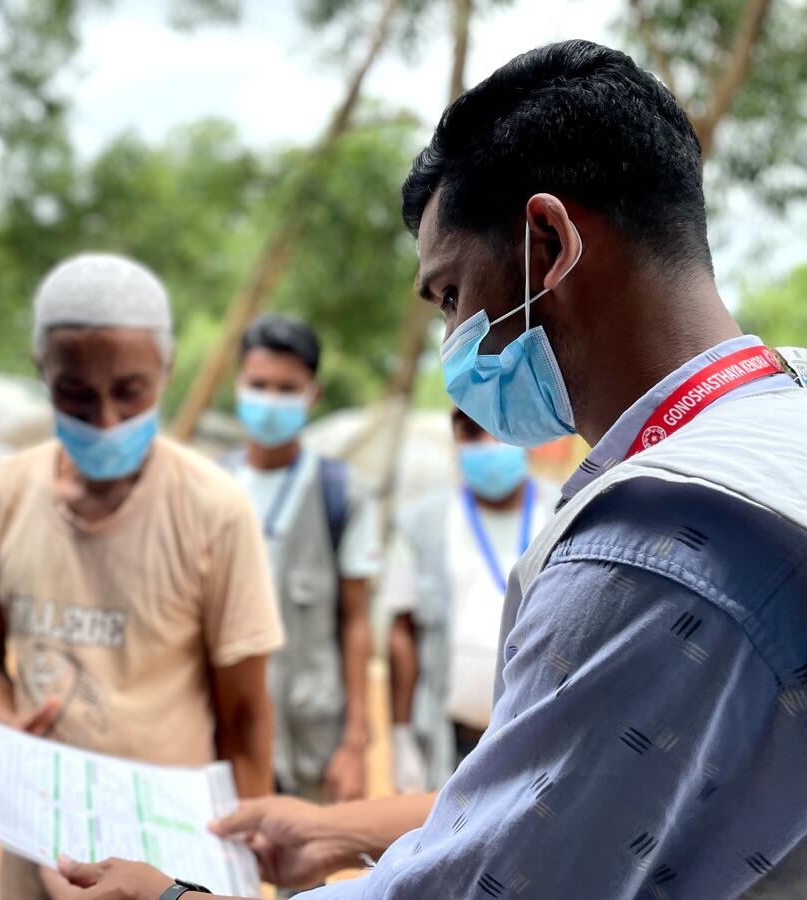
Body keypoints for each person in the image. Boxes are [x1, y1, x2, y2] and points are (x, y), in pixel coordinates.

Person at [39, 39, 807, 899]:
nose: (453, 344)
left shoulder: (657, 549)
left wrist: (173, 897)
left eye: (449, 295)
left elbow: (497, 881)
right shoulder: (781, 419)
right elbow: (569, 796)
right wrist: (339, 828)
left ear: (548, 245)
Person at [0, 253, 285, 900]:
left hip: (173, 864)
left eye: (130, 391)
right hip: (37, 851)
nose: (105, 420)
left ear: (167, 371)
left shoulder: (213, 509)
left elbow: (244, 716)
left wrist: (235, 879)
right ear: (41, 371)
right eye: (75, 392)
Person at [225, 314, 378, 811]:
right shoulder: (207, 489)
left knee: (304, 883)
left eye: (286, 388)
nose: (270, 401)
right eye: (259, 385)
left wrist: (354, 744)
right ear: (238, 386)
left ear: (312, 395)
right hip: (222, 738)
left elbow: (356, 621)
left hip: (309, 735)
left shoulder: (343, 495)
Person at [385, 408, 557, 793]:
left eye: (498, 430)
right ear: (455, 439)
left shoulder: (564, 513)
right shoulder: (420, 521)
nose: (488, 446)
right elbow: (402, 633)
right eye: (471, 432)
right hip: (448, 742)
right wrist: (401, 737)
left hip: (534, 745)